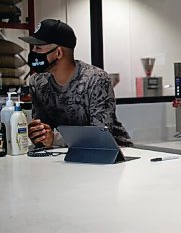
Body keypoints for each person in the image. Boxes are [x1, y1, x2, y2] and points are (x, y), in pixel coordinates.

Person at [19, 19, 132, 148]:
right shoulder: (37, 83)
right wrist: (39, 134)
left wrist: (54, 139)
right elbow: (44, 129)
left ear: (59, 53)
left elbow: (101, 135)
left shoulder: (95, 80)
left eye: (38, 48)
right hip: (65, 155)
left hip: (115, 154)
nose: (33, 53)